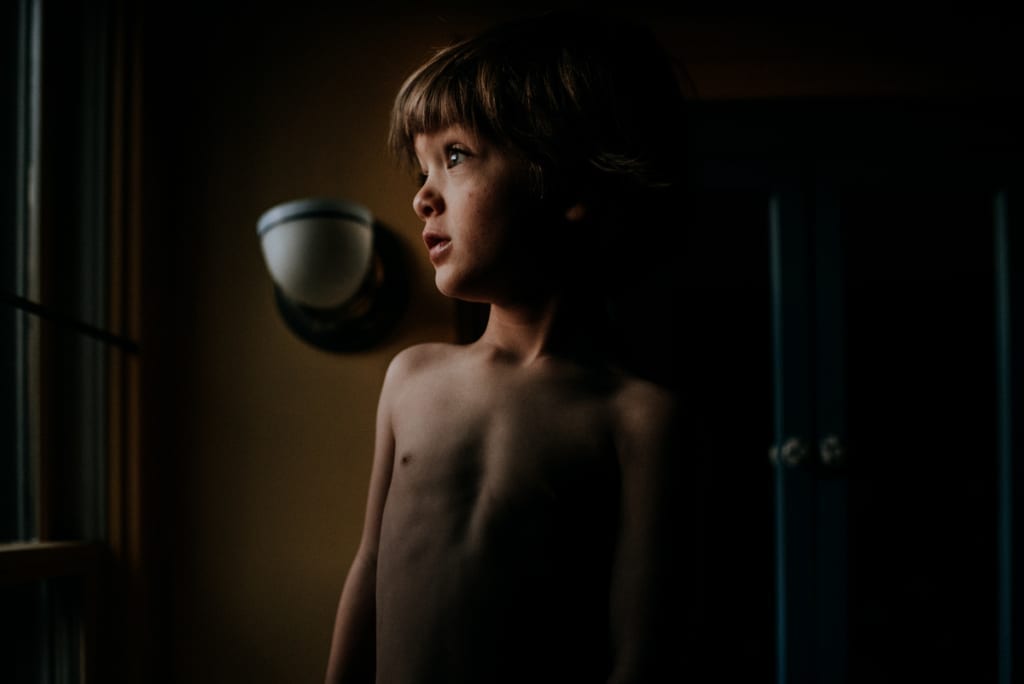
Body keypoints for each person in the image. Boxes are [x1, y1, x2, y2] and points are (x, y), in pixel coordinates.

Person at [326, 9, 701, 683]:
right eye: (421, 169)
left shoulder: (639, 420)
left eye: (455, 157)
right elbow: (370, 567)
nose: (422, 198)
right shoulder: (412, 377)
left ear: (569, 187)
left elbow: (638, 652)